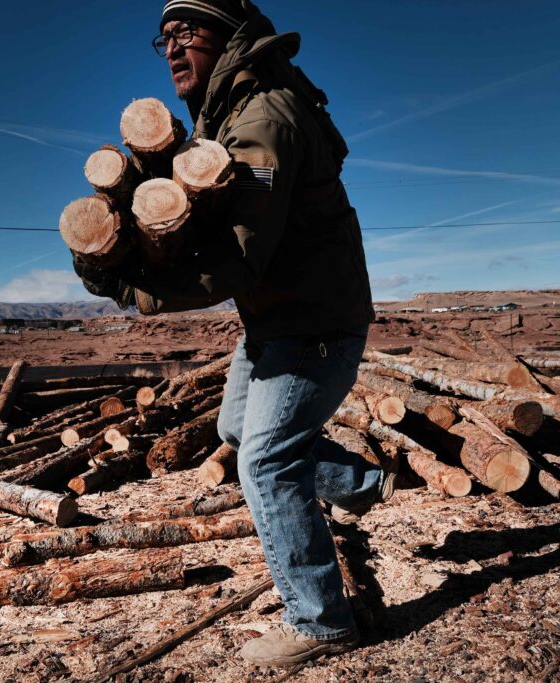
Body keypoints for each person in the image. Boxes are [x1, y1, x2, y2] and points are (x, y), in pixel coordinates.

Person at [74, 0, 391, 666]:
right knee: (237, 430)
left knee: (266, 462)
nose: (171, 48)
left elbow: (235, 259)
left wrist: (132, 287)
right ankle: (364, 486)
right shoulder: (230, 116)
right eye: (164, 36)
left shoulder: (262, 123)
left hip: (314, 327)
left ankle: (321, 621)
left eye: (188, 32)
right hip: (281, 319)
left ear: (229, 37)